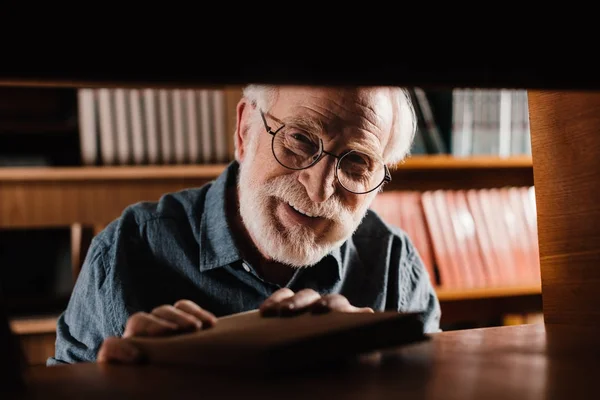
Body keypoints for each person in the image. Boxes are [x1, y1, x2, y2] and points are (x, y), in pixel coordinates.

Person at [48, 84, 441, 365]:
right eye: (301, 139)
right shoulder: (125, 251)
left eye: (357, 162)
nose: (320, 191)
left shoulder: (394, 263)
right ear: (243, 130)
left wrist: (384, 377)